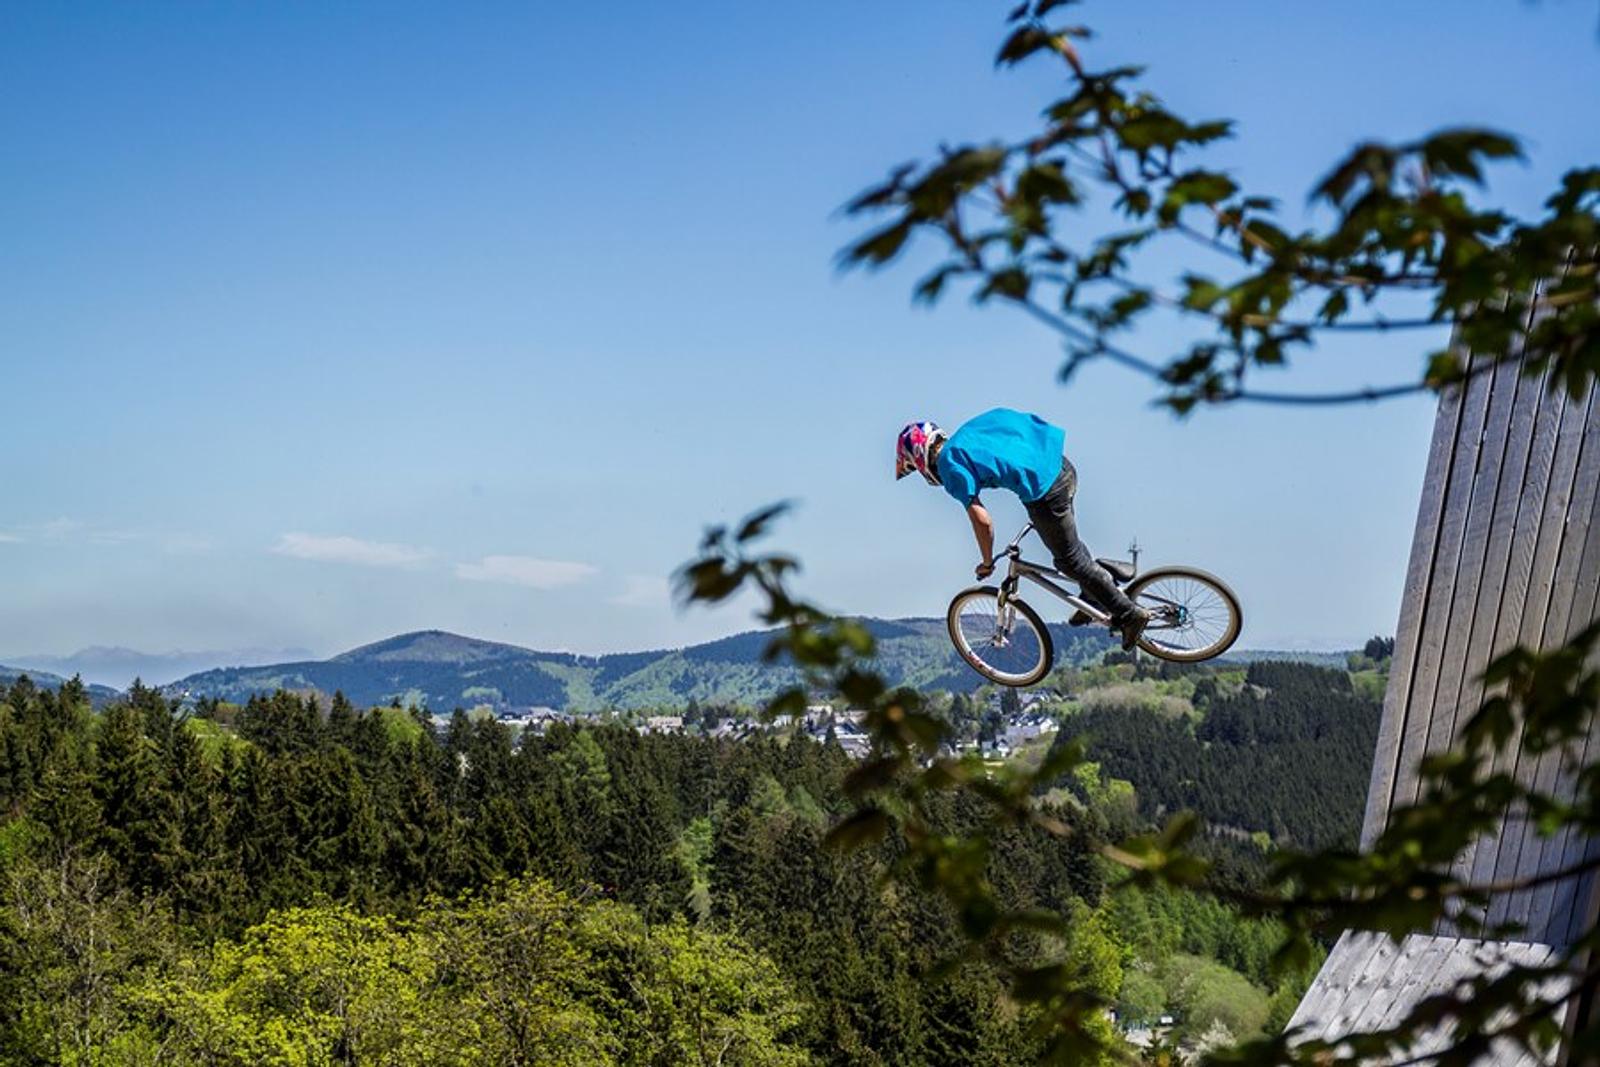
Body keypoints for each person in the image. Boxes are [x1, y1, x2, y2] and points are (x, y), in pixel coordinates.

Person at [896, 408, 1149, 651]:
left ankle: (1129, 614)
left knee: (1070, 562)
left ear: (919, 458)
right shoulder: (969, 432)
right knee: (1068, 547)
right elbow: (1012, 420)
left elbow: (982, 521)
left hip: (1045, 491)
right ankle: (1095, 593)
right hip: (1061, 465)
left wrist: (987, 562)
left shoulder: (949, 467)